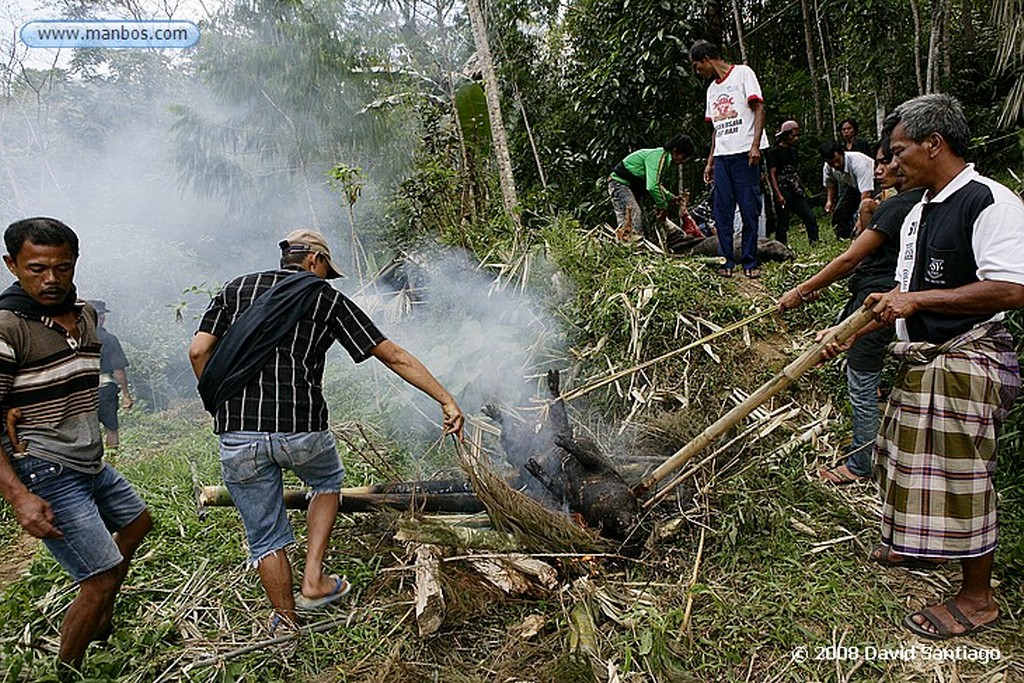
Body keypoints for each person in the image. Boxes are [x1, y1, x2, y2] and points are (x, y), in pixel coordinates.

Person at [188, 229, 465, 637]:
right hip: (302, 429)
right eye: (325, 270)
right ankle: (314, 580)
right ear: (315, 260)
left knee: (266, 535)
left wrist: (220, 402)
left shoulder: (234, 289)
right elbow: (393, 355)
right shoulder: (325, 297)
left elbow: (198, 351)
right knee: (326, 480)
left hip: (239, 432)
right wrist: (445, 399)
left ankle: (284, 622)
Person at [826, 94, 1024, 639]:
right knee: (903, 458)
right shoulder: (920, 210)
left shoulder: (990, 202)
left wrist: (916, 303)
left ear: (933, 144)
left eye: (899, 150)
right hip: (925, 357)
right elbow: (904, 292)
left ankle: (978, 598)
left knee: (960, 476)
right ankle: (917, 546)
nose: (892, 163)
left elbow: (1012, 287)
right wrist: (853, 330)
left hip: (969, 358)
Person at [0, 217, 152, 671]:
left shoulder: (85, 315)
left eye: (62, 267)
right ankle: (69, 670)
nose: (51, 279)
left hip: (89, 461)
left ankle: (98, 615)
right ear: (12, 265)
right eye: (36, 269)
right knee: (101, 576)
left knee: (137, 523)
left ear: (74, 263)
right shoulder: (7, 328)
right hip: (45, 468)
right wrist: (19, 495)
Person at [779, 138, 923, 484]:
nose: (880, 168)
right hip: (896, 297)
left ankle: (860, 464)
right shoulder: (925, 203)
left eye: (888, 160)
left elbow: (848, 259)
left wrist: (802, 291)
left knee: (860, 375)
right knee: (871, 372)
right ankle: (876, 431)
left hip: (876, 301)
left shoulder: (897, 207)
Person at [690, 39, 768, 279]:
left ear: (706, 59)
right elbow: (716, 129)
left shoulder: (743, 74)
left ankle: (749, 260)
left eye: (696, 65)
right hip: (723, 157)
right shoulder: (711, 90)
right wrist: (710, 161)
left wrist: (755, 146)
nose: (697, 71)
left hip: (745, 154)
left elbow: (759, 109)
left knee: (748, 209)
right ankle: (726, 261)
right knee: (722, 211)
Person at [608, 135, 695, 240]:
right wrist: (663, 206)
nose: (683, 161)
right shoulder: (658, 157)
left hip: (630, 186)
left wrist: (670, 197)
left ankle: (634, 243)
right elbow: (652, 186)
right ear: (675, 151)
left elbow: (655, 183)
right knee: (633, 215)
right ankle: (632, 246)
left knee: (641, 220)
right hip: (620, 184)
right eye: (684, 157)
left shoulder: (662, 158)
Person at [765, 120, 819, 245]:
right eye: (792, 135)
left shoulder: (794, 151)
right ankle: (781, 247)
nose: (795, 138)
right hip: (782, 188)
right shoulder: (774, 152)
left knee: (809, 217)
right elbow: (772, 174)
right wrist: (777, 194)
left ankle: (814, 242)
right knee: (783, 222)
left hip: (795, 188)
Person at [88, 300, 133, 449]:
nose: (101, 318)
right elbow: (118, 369)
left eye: (102, 315)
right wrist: (126, 395)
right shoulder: (109, 340)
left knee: (89, 431)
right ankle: (112, 463)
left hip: (84, 393)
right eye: (98, 315)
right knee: (111, 429)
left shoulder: (76, 338)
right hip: (104, 390)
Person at [820, 141, 874, 239]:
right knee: (839, 216)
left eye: (837, 160)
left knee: (867, 213)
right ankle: (845, 239)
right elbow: (830, 184)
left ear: (843, 154)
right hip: (854, 186)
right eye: (831, 163)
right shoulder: (827, 167)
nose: (836, 165)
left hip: (873, 185)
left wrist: (860, 219)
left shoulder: (859, 163)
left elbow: (866, 193)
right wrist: (829, 201)